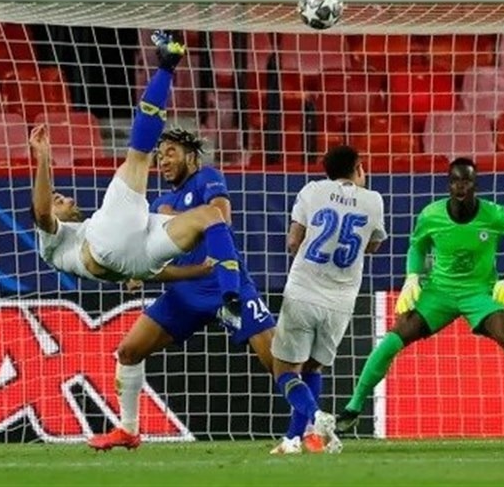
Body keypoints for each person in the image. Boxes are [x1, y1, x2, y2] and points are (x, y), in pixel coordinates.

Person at [335, 157, 504, 436]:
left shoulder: (494, 215)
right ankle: (352, 408)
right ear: (449, 184)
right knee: (392, 340)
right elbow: (417, 247)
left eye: (466, 181)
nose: (460, 186)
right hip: (439, 293)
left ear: (475, 184)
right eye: (455, 181)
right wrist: (412, 277)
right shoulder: (431, 215)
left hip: (479, 293)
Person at [87, 127, 276, 451]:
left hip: (225, 288)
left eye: (170, 153)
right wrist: (136, 272)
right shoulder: (159, 202)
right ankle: (128, 430)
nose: (162, 161)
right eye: (159, 156)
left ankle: (311, 424)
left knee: (276, 361)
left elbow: (222, 217)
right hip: (185, 293)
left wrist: (173, 216)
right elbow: (149, 252)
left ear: (190, 156)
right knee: (129, 352)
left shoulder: (206, 178)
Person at [30, 31, 242, 313]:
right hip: (107, 246)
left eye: (60, 197)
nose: (62, 197)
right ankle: (167, 64)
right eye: (57, 200)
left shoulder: (85, 231)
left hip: (139, 260)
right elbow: (42, 212)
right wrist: (43, 157)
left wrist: (198, 271)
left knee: (210, 215)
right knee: (138, 158)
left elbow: (150, 271)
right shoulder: (51, 242)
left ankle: (231, 298)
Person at [270, 145, 387, 455]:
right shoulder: (374, 200)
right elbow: (373, 245)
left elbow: (293, 241)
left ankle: (315, 416)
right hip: (341, 301)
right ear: (359, 168)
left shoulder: (312, 191)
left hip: (303, 291)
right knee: (313, 368)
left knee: (285, 371)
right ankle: (293, 440)